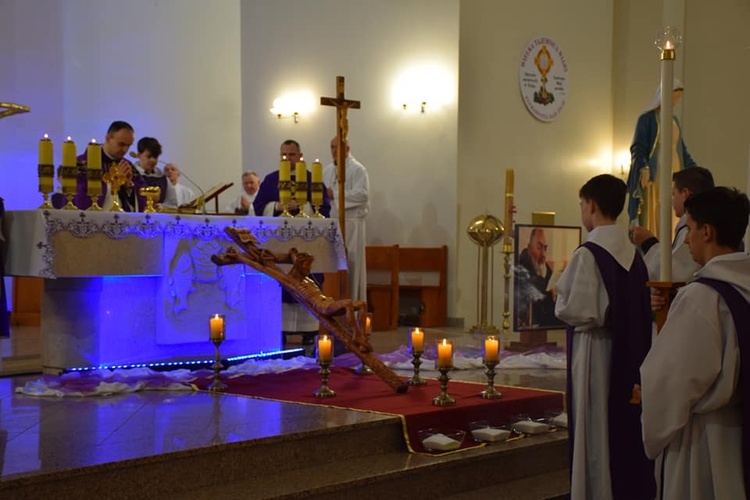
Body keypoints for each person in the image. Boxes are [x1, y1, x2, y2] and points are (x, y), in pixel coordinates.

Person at [640, 187, 750, 500]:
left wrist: (648, 398)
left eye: (688, 229)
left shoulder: (702, 298)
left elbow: (670, 382)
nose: (686, 239)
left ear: (707, 231)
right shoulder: (738, 289)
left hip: (705, 440)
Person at [554, 174, 655, 500]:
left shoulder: (589, 254)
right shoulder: (634, 255)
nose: (582, 212)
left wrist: (559, 294)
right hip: (626, 354)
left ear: (592, 205)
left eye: (582, 205)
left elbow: (578, 310)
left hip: (595, 353)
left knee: (594, 427)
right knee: (616, 430)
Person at [627, 79, 697, 233]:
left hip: (675, 171)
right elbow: (638, 146)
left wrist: (696, 171)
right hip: (656, 171)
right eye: (673, 97)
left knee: (673, 209)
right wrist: (643, 166)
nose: (675, 101)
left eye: (678, 98)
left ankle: (671, 242)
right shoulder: (647, 119)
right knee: (656, 210)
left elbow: (681, 149)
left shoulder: (674, 120)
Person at [631, 166, 714, 281]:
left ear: (685, 193)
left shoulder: (694, 229)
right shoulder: (698, 224)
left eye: (674, 194)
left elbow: (675, 273)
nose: (672, 201)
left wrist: (649, 243)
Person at [54, 120, 147, 211]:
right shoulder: (82, 164)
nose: (125, 150)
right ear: (108, 138)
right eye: (121, 144)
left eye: (129, 145)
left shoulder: (127, 166)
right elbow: (79, 198)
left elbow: (142, 198)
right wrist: (113, 184)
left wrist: (128, 186)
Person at [323, 137, 370, 301]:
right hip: (332, 223)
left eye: (338, 147)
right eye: (332, 147)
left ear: (347, 148)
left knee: (351, 265)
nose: (334, 151)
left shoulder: (358, 169)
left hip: (352, 225)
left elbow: (363, 195)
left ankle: (353, 306)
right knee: (333, 265)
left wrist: (334, 195)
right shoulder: (327, 170)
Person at [253, 139, 331, 218]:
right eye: (284, 154)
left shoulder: (312, 179)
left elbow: (325, 207)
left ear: (300, 156)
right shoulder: (271, 180)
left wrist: (301, 206)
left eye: (292, 154)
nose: (288, 158)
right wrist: (277, 206)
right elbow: (258, 206)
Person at [516, 227, 558, 328]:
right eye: (539, 247)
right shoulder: (521, 268)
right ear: (530, 248)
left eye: (545, 248)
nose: (543, 254)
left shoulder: (545, 269)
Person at [132, 137, 178, 208]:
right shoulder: (132, 175)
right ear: (139, 155)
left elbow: (172, 203)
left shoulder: (163, 178)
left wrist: (160, 206)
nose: (152, 160)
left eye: (155, 157)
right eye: (149, 156)